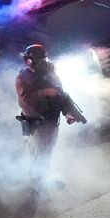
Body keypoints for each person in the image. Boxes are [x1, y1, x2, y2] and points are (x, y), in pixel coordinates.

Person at [15, 45, 84, 183]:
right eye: (39, 60)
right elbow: (25, 101)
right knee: (39, 154)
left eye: (44, 59)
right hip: (36, 124)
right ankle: (37, 185)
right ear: (29, 61)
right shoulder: (23, 78)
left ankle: (44, 178)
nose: (43, 63)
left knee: (47, 151)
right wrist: (44, 92)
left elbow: (61, 95)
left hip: (51, 122)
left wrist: (67, 113)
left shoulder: (50, 73)